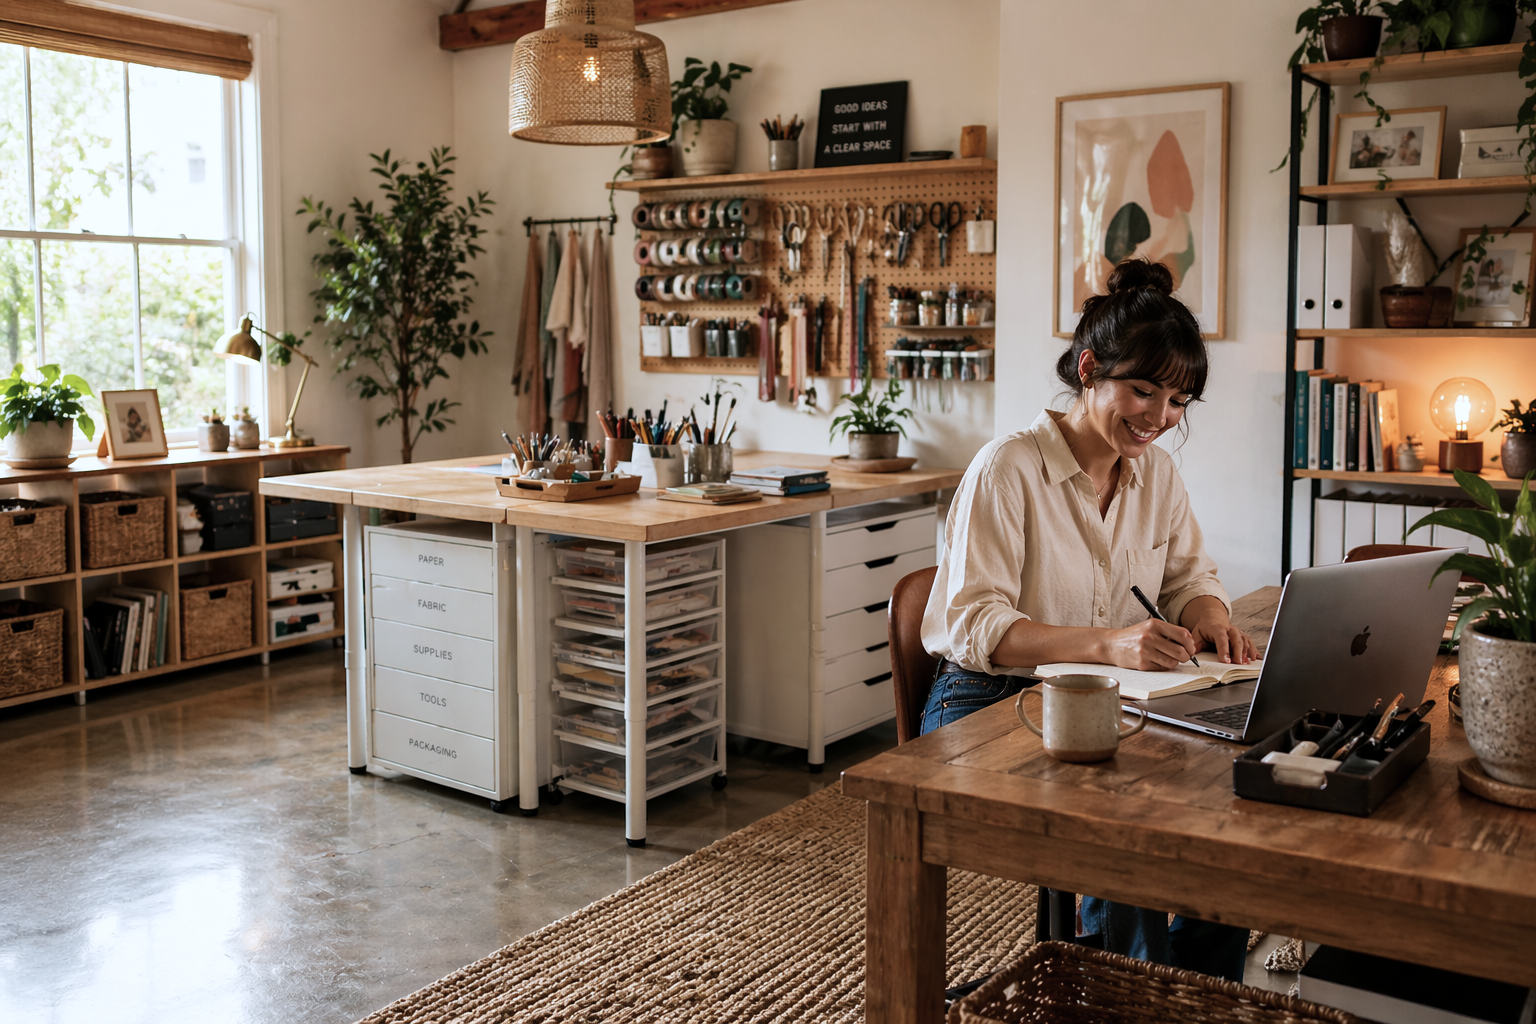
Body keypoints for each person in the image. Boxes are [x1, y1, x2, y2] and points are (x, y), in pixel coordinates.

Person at [918, 257, 1257, 981]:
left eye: (1179, 402)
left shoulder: (1157, 476)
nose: (1160, 420)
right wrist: (1112, 645)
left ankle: (1203, 992)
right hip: (988, 702)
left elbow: (1189, 578)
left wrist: (1211, 618)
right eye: (1143, 390)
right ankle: (1124, 990)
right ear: (1089, 367)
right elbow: (977, 626)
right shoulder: (1007, 469)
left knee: (1225, 792)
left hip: (1105, 698)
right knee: (1125, 816)